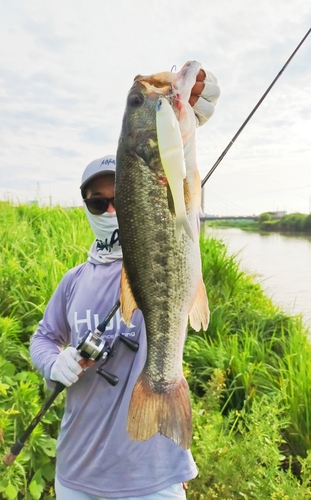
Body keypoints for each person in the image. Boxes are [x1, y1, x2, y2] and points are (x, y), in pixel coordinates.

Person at [30, 67, 220, 500]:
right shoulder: (73, 281)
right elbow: (42, 338)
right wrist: (52, 364)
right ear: (86, 205)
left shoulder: (163, 206)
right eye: (97, 200)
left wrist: (184, 111)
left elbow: (185, 181)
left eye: (117, 195)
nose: (109, 206)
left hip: (154, 482)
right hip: (75, 476)